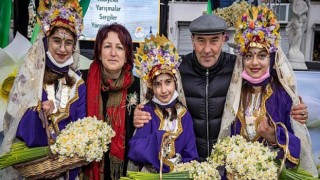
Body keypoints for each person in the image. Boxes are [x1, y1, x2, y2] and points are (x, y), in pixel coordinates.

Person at [133, 13, 309, 162]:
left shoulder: (238, 69)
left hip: (227, 166)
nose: (207, 49)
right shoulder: (177, 72)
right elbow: (157, 99)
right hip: (188, 164)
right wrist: (140, 114)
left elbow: (266, 89)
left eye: (214, 41)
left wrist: (295, 109)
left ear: (224, 39)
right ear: (192, 40)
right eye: (201, 41)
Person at [218, 5, 318, 176]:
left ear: (272, 58)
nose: (254, 62)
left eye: (262, 55)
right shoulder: (236, 94)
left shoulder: (282, 95)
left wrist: (274, 136)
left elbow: (298, 148)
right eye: (249, 56)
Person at [0, 0, 86, 179]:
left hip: (67, 171)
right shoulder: (30, 76)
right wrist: (38, 111)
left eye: (68, 43)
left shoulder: (79, 85)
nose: (62, 49)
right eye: (56, 41)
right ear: (46, 41)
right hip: (31, 170)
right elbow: (17, 126)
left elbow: (81, 131)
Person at [127, 35, 198, 173]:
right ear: (151, 87)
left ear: (175, 82)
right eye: (157, 84)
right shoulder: (147, 112)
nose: (164, 90)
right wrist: (159, 139)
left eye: (168, 82)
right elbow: (135, 149)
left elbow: (191, 154)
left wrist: (179, 168)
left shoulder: (184, 115)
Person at [85, 23, 140, 180]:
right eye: (108, 46)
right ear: (99, 53)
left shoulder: (140, 87)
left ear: (127, 55)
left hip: (125, 171)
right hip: (89, 168)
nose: (113, 53)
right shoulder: (83, 81)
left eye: (120, 48)